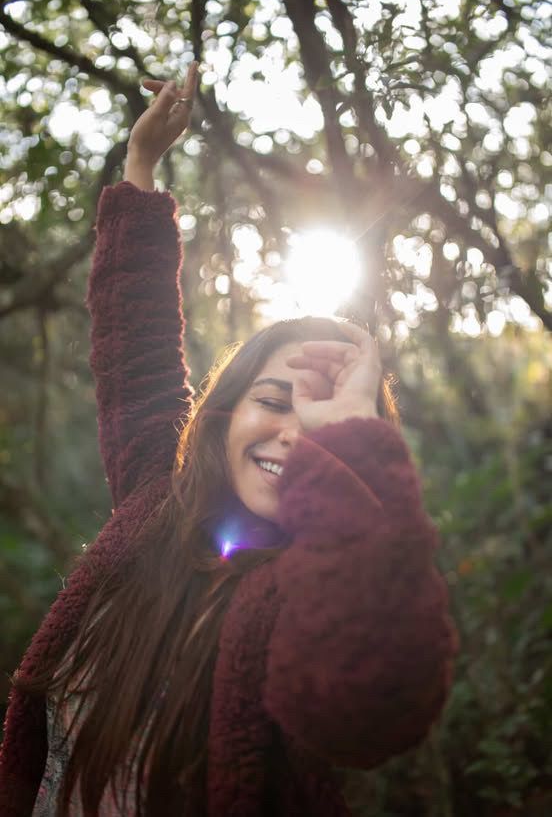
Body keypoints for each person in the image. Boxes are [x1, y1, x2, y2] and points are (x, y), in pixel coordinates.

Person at [0, 61, 458, 817]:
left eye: (327, 424)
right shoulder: (155, 499)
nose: (294, 433)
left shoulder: (310, 595)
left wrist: (352, 442)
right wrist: (141, 166)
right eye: (273, 400)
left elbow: (379, 707)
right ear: (223, 413)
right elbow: (137, 340)